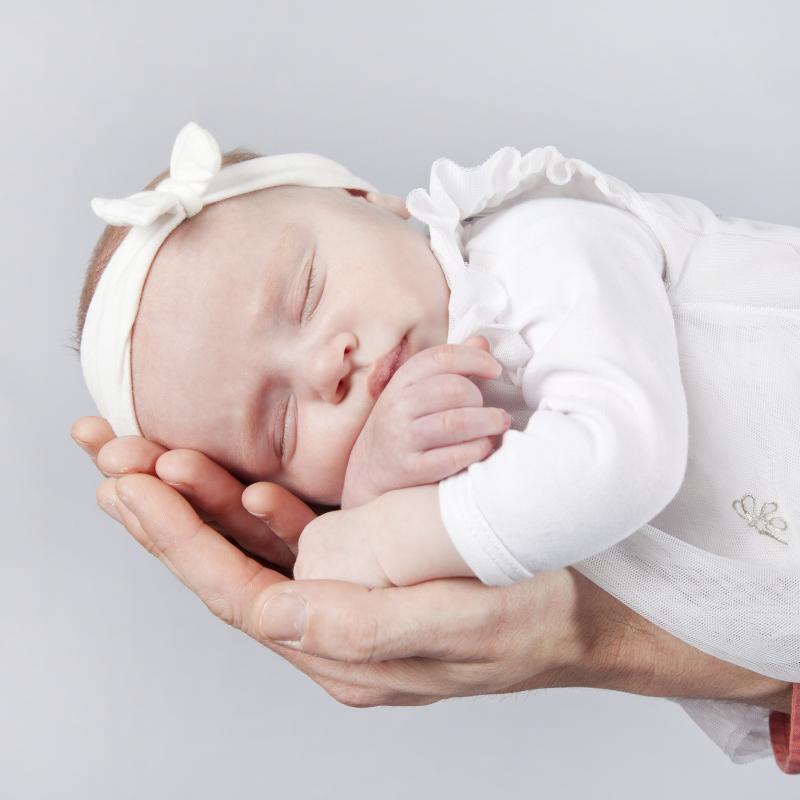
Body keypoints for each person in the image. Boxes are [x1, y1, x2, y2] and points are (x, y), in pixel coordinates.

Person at [73, 122, 800, 761]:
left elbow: (616, 461)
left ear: (371, 203)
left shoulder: (537, 246)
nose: (329, 365)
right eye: (283, 425)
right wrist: (371, 499)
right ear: (304, 494)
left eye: (306, 293)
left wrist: (381, 540)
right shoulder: (474, 498)